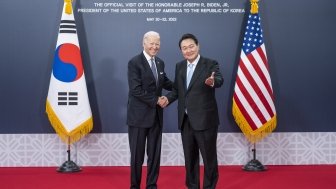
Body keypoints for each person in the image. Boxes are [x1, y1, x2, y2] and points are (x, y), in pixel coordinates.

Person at [164, 33, 224, 189]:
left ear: (198, 46)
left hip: (205, 120)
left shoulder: (210, 63)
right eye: (184, 48)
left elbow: (219, 79)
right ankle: (192, 186)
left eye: (191, 46)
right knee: (190, 158)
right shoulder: (179, 66)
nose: (188, 50)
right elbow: (178, 90)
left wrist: (212, 82)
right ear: (181, 51)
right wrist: (167, 99)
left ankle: (209, 187)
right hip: (185, 121)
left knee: (209, 158)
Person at [127, 31, 172, 189]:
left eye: (157, 43)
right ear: (143, 43)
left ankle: (152, 185)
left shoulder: (160, 63)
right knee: (137, 157)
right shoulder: (134, 62)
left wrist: (183, 85)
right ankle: (135, 186)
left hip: (156, 118)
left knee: (154, 155)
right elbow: (135, 90)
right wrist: (156, 100)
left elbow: (165, 82)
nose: (155, 47)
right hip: (138, 118)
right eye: (151, 43)